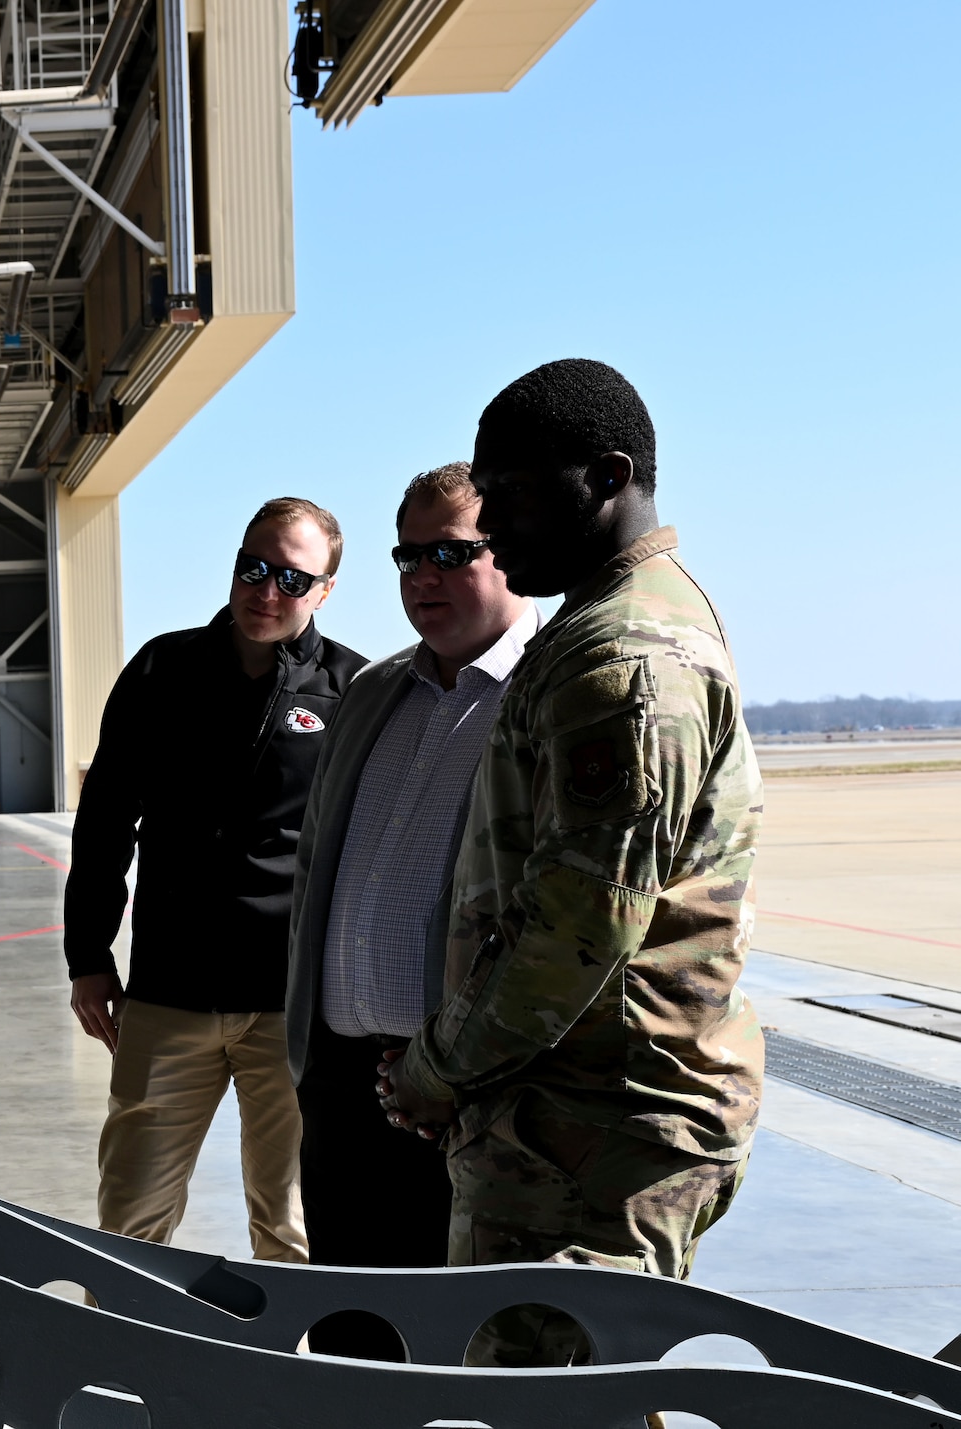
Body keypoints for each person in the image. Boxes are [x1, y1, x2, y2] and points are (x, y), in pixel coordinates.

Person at [377, 359, 765, 1366]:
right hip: (565, 1115)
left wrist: (436, 1068)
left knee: (546, 1401)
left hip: (592, 1131)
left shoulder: (619, 664)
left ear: (604, 476)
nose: (489, 520)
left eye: (506, 490)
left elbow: (576, 932)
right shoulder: (609, 626)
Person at [64, 498, 365, 1262]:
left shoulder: (354, 692)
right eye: (253, 569)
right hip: (170, 994)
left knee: (294, 1227)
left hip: (290, 1008)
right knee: (130, 1216)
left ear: (326, 590)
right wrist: (88, 954)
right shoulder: (162, 671)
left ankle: (292, 1375)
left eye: (292, 578)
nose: (266, 591)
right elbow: (104, 821)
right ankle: (127, 1374)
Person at [283, 462, 537, 1352]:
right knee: (353, 1340)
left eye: (449, 553)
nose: (422, 576)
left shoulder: (543, 693)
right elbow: (319, 865)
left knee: (466, 1351)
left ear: (508, 549)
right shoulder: (372, 694)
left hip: (463, 1094)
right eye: (408, 556)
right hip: (342, 1086)